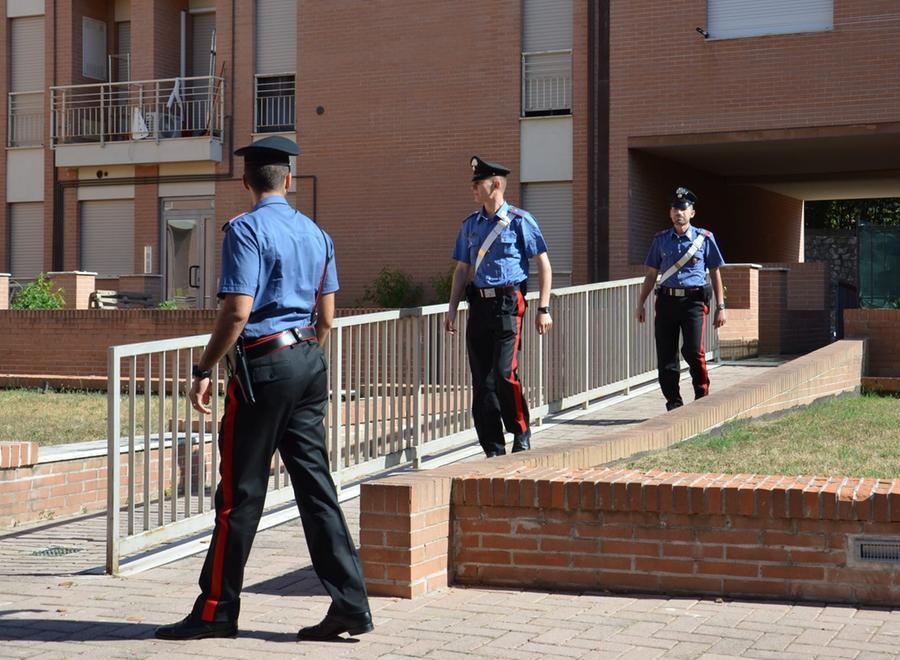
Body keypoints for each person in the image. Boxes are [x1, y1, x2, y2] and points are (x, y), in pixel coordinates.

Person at [155, 135, 372, 642]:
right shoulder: (318, 234)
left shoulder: (245, 230)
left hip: (265, 368)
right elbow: (326, 318)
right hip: (307, 364)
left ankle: (216, 611)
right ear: (289, 179)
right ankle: (350, 604)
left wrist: (204, 368)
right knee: (317, 490)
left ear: (247, 181)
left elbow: (236, 310)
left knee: (239, 495)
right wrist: (306, 358)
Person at [444, 156, 553, 457]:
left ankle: (520, 431)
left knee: (506, 372)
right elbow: (462, 269)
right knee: (482, 381)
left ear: (494, 185)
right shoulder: (469, 225)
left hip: (508, 303)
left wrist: (543, 308)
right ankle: (492, 446)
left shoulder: (520, 221)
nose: (473, 189)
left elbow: (543, 265)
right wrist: (452, 308)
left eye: (477, 184)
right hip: (478, 305)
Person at [634, 186, 727, 411]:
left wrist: (721, 307)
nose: (679, 213)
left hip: (693, 302)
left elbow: (715, 272)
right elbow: (651, 274)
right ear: (670, 213)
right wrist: (641, 303)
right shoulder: (660, 240)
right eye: (675, 208)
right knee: (666, 356)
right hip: (666, 302)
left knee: (693, 351)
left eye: (683, 209)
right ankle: (673, 403)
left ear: (692, 213)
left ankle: (702, 394)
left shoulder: (705, 238)